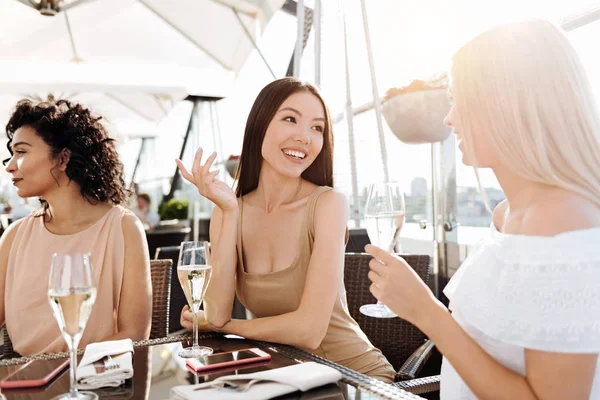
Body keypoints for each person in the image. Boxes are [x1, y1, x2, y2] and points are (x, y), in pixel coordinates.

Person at [366, 19, 600, 399]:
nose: (449, 117)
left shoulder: (565, 223)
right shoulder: (505, 215)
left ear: (510, 103)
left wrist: (425, 311)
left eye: (459, 99)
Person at [176, 77, 395, 382]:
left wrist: (227, 328)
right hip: (289, 378)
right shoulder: (227, 210)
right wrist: (228, 211)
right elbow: (218, 312)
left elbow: (308, 332)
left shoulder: (328, 204)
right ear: (260, 125)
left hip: (357, 378)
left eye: (317, 128)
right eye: (290, 119)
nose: (305, 137)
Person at [0, 99, 152, 356]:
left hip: (96, 385)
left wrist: (69, 375)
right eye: (11, 154)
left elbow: (135, 333)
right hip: (24, 388)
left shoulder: (123, 228)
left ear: (63, 158)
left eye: (22, 152)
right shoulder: (15, 237)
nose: (9, 165)